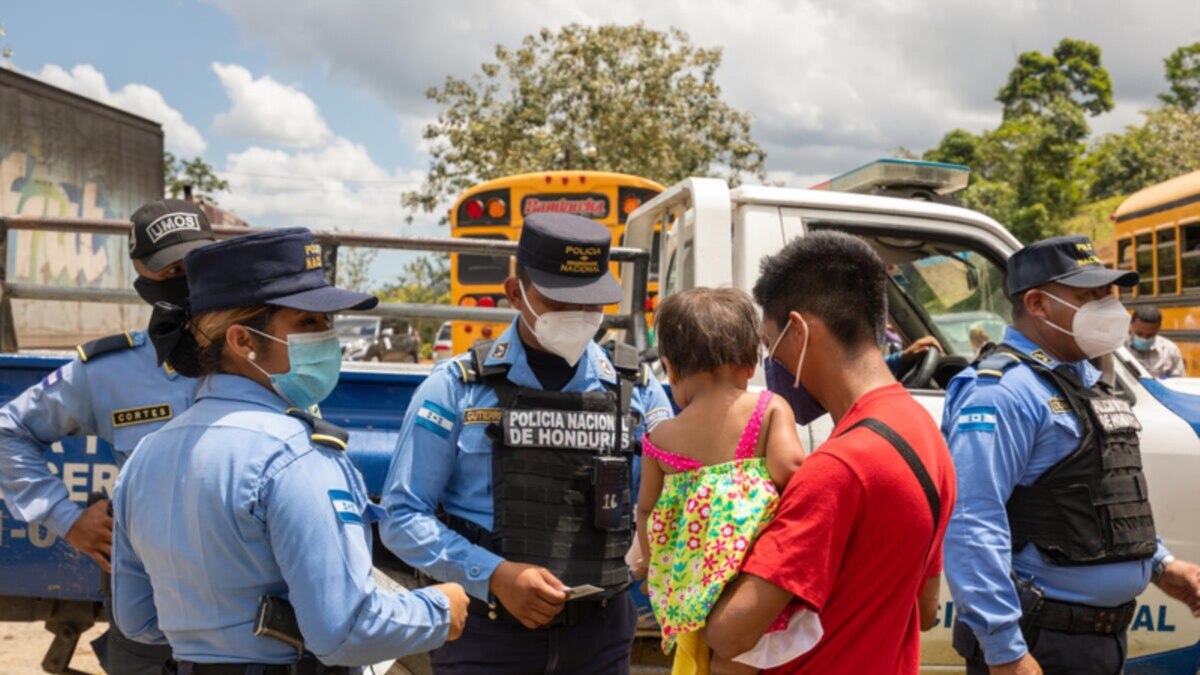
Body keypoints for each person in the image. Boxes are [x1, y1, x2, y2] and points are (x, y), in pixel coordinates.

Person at [110, 227, 468, 673]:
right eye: (307, 323)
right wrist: (440, 608)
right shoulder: (296, 456)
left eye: (326, 323)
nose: (327, 337)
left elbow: (137, 618)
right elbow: (344, 633)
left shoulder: (145, 455)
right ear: (243, 342)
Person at [380, 213, 674, 675]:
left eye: (590, 303)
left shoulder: (637, 389)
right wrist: (493, 575)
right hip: (485, 638)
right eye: (558, 301)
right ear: (516, 292)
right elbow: (401, 515)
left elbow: (667, 500)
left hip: (599, 639)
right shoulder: (455, 388)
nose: (577, 317)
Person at [942, 235, 1200, 675]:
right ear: (1038, 304)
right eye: (1089, 295)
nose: (1108, 307)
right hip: (1040, 644)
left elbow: (1103, 494)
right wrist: (1005, 651)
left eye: (1108, 294)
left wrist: (1160, 565)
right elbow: (971, 524)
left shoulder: (1087, 378)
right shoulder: (1002, 393)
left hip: (1100, 642)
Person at [704, 230, 957, 674]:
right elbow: (927, 607)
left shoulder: (837, 469)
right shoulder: (927, 435)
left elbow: (730, 633)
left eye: (770, 344)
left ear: (799, 330)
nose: (771, 363)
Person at [0, 198, 214, 675]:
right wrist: (66, 517)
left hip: (243, 592)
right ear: (140, 271)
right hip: (146, 593)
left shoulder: (254, 351)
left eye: (194, 263)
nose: (184, 277)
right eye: (168, 268)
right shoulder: (108, 372)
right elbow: (9, 431)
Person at [629, 287, 810, 674]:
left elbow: (646, 507)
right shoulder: (767, 408)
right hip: (752, 585)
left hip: (693, 590)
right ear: (749, 364)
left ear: (671, 369)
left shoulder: (661, 439)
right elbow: (792, 470)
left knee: (707, 659)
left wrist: (653, 566)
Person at [1127, 305, 1186, 378]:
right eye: (1139, 334)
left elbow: (1178, 382)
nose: (1144, 339)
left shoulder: (1170, 351)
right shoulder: (1118, 348)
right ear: (1130, 325)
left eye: (1150, 335)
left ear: (1158, 329)